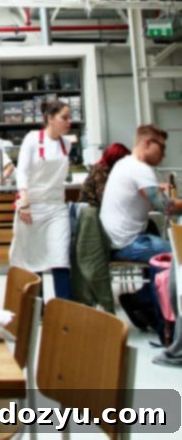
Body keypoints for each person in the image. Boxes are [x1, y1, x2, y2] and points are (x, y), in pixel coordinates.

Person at [99, 124, 182, 331]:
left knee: (163, 250)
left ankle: (145, 304)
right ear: (147, 143)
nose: (163, 154)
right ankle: (150, 306)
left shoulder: (124, 164)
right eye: (161, 148)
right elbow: (165, 207)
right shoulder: (141, 169)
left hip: (114, 240)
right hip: (127, 243)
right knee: (176, 254)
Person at [9, 99, 74, 299]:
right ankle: (38, 307)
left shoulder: (67, 145)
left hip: (56, 208)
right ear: (50, 118)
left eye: (69, 117)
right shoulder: (32, 139)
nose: (69, 121)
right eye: (64, 117)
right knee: (32, 259)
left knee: (60, 258)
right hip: (32, 207)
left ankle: (64, 309)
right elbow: (22, 172)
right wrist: (25, 203)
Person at [80, 142, 130, 209]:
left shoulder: (102, 170)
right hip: (92, 212)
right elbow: (104, 198)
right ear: (115, 160)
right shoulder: (101, 172)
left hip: (93, 210)